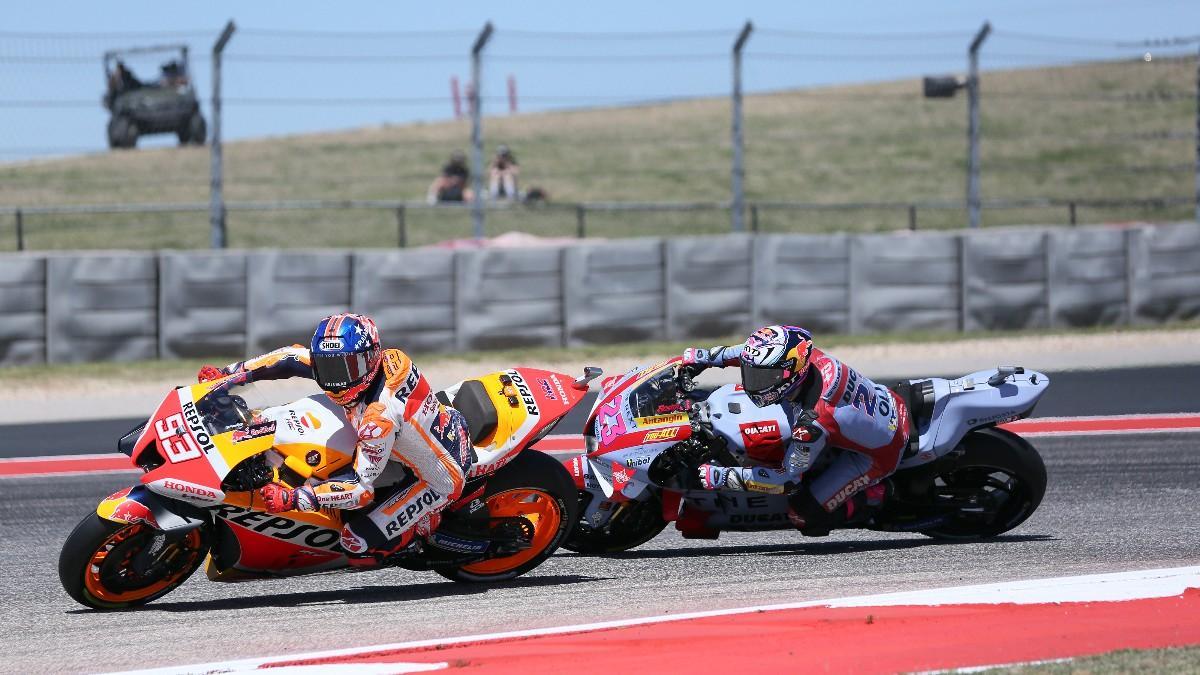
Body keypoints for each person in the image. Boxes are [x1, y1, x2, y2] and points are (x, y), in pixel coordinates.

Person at [197, 313, 474, 560]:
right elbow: (289, 358)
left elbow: (359, 489)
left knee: (356, 542)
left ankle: (425, 526)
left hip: (439, 477)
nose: (336, 380)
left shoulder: (377, 420)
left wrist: (295, 499)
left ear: (371, 357)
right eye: (328, 368)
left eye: (346, 370)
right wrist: (228, 375)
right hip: (429, 426)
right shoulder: (378, 360)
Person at [681, 325, 908, 536]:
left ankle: (874, 496)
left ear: (792, 374)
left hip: (881, 452)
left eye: (764, 378)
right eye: (753, 374)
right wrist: (705, 358)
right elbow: (747, 353)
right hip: (886, 399)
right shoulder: (807, 356)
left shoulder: (811, 423)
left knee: (803, 515)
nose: (754, 384)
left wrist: (723, 476)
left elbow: (787, 481)